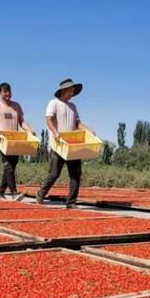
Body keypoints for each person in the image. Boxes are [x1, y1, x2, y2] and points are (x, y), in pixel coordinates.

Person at [37, 78, 97, 208]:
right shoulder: (53, 103)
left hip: (72, 145)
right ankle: (41, 194)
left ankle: (71, 202)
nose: (73, 93)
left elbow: (77, 123)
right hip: (58, 145)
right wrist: (55, 132)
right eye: (71, 90)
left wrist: (88, 129)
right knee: (54, 174)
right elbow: (49, 120)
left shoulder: (73, 106)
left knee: (75, 174)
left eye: (74, 91)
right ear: (64, 90)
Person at [0, 82, 34, 199]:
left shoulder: (16, 106)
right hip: (3, 140)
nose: (7, 93)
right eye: (4, 91)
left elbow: (21, 122)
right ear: (0, 93)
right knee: (8, 166)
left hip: (15, 141)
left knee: (11, 167)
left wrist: (29, 130)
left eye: (9, 91)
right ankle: (14, 192)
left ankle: (0, 192)